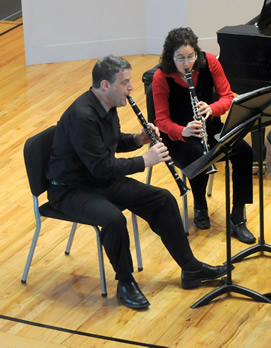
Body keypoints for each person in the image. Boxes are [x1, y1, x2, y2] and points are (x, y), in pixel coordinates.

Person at [46, 55, 227, 310]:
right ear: (106, 85)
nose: (131, 88)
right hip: (70, 189)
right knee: (113, 219)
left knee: (162, 199)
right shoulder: (82, 116)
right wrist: (145, 160)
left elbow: (109, 142)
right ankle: (125, 282)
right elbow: (101, 167)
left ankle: (190, 268)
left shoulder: (108, 106)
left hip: (99, 181)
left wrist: (136, 139)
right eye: (125, 83)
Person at [152, 27, 256, 244]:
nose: (186, 63)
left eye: (190, 56)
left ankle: (238, 216)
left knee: (245, 152)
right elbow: (161, 121)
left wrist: (212, 109)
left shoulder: (209, 62)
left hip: (211, 128)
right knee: (197, 154)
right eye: (180, 58)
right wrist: (183, 130)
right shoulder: (162, 76)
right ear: (171, 57)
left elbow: (228, 96)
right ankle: (200, 206)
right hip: (178, 137)